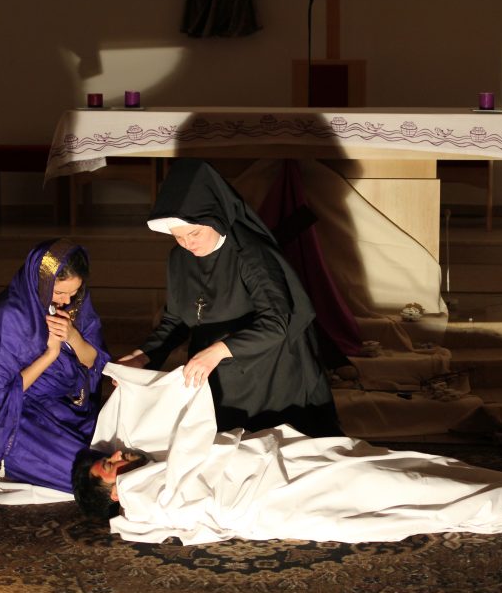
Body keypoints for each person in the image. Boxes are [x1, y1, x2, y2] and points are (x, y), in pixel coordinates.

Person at [73, 363, 502, 545]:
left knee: (419, 471)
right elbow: (190, 461)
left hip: (291, 474)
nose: (119, 458)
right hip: (281, 495)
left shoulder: (142, 484)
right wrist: (189, 386)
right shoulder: (142, 497)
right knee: (422, 492)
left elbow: (176, 450)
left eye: (111, 456)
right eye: (109, 465)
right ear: (109, 490)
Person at [116, 158, 339, 436]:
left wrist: (218, 351)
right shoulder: (179, 259)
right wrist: (142, 357)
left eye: (194, 233)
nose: (187, 244)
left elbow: (278, 323)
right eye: (178, 237)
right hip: (215, 368)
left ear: (215, 218)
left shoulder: (251, 255)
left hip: (268, 372)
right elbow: (175, 319)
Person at [0, 238, 111, 494]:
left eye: (73, 291)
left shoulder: (77, 305)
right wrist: (50, 354)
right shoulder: (10, 317)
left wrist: (73, 336)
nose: (66, 300)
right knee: (88, 473)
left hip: (68, 407)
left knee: (110, 446)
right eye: (59, 293)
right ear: (42, 282)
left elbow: (94, 363)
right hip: (19, 416)